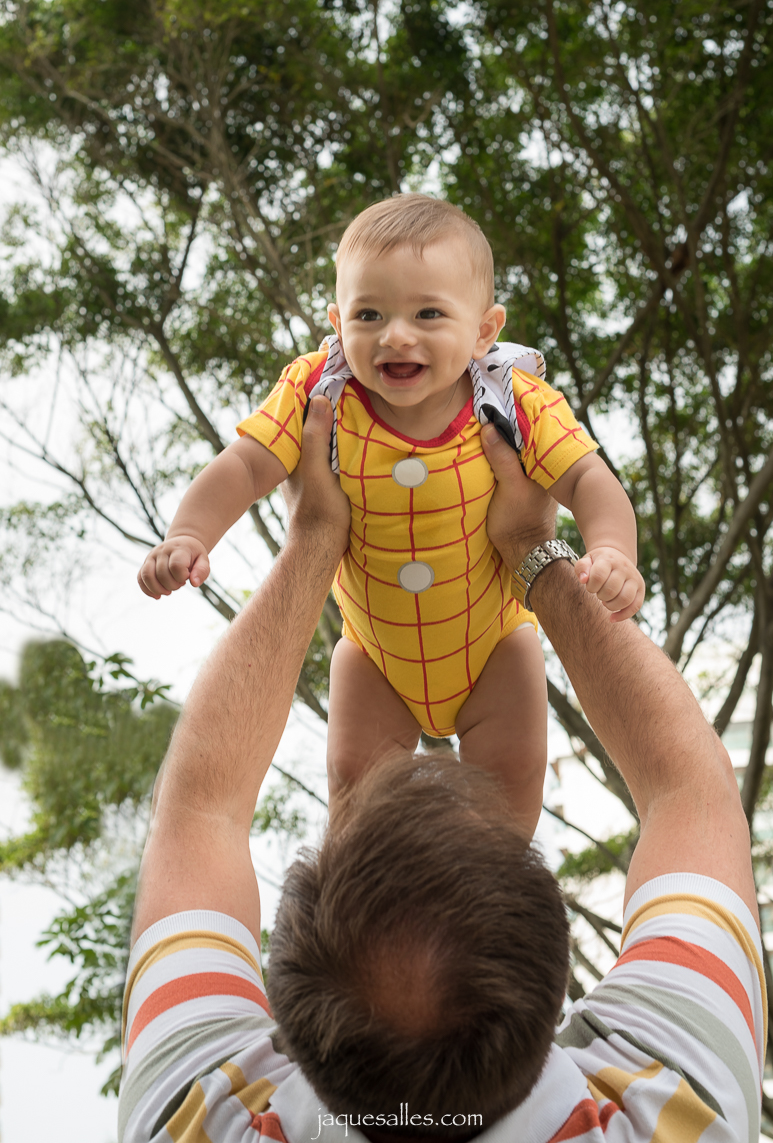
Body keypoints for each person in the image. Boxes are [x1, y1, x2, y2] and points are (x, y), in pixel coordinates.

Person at [119, 398, 764, 1143]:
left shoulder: (198, 1126)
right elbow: (692, 789)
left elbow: (201, 808)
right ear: (556, 979)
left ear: (290, 1016)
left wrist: (313, 541)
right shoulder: (672, 1120)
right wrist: (531, 547)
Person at [138, 194, 644, 837]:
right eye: (369, 314)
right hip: (375, 653)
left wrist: (611, 551)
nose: (395, 334)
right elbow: (243, 465)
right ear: (338, 321)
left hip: (492, 644)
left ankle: (496, 887)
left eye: (428, 312)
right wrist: (188, 533)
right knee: (354, 782)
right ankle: (362, 897)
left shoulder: (513, 399)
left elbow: (587, 476)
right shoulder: (319, 389)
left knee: (512, 775)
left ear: (485, 330)